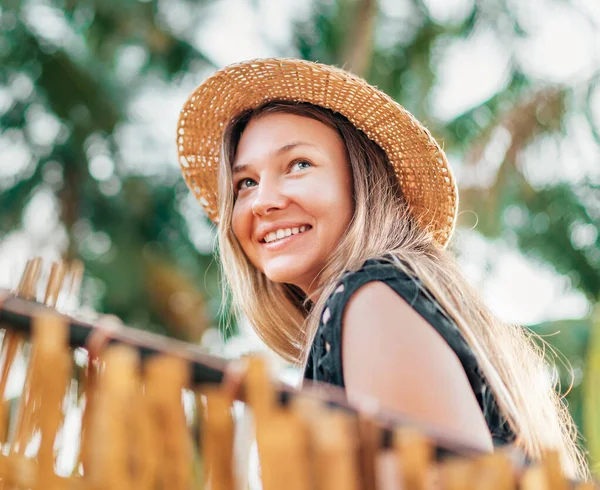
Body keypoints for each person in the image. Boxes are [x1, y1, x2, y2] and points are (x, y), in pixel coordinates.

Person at [176, 58, 588, 479]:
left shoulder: (370, 300)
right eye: (246, 183)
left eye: (299, 164)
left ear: (363, 182)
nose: (263, 201)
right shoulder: (376, 302)